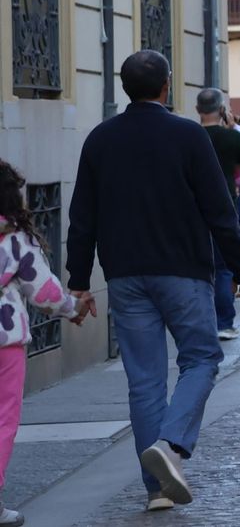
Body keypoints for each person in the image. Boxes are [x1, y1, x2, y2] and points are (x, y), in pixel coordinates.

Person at [66, 50, 240, 514]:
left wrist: (77, 280)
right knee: (202, 358)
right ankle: (171, 447)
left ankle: (156, 488)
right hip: (183, 271)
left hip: (125, 275)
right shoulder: (189, 135)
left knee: (144, 381)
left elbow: (81, 217)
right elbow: (219, 209)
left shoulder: (100, 139)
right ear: (167, 86)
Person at [0, 161, 90, 525]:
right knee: (3, 418)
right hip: (5, 340)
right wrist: (74, 309)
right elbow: (45, 291)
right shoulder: (15, 240)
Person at [197, 89, 240, 342]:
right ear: (221, 110)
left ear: (198, 110)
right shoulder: (231, 137)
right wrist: (232, 126)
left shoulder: (192, 136)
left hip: (195, 206)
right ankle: (224, 322)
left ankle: (202, 320)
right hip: (226, 199)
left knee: (199, 266)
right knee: (224, 266)